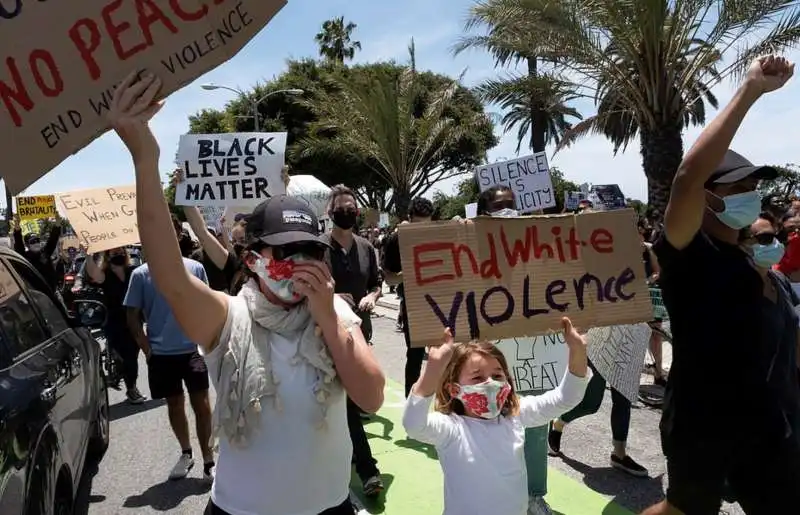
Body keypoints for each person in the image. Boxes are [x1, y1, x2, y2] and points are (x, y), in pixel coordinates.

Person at [108, 70, 385, 515]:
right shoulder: (228, 317)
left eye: (309, 250)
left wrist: (330, 320)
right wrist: (145, 156)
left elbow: (370, 397)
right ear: (253, 257)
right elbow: (170, 277)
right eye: (284, 250)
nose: (297, 262)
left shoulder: (334, 313)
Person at [643, 55, 800, 515]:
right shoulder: (688, 253)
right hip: (703, 422)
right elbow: (687, 177)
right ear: (708, 198)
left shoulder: (755, 266)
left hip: (771, 429)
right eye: (737, 186)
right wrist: (750, 90)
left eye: (753, 184)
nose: (751, 193)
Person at [402, 318, 590, 515]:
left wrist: (577, 349)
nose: (491, 383)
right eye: (477, 377)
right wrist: (434, 366)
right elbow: (413, 425)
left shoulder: (515, 416)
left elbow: (566, 397)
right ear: (454, 389)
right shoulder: (451, 428)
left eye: (498, 375)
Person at [474, 184, 560, 514]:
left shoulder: (533, 247)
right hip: (488, 357)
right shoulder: (469, 249)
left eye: (512, 205)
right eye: (500, 207)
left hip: (530, 355)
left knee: (535, 429)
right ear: (484, 214)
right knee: (489, 430)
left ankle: (533, 495)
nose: (508, 212)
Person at [124, 226, 216, 482]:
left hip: (193, 351)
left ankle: (209, 460)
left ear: (177, 236)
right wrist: (147, 349)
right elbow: (131, 316)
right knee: (174, 404)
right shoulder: (140, 275)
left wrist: (207, 339)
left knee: (203, 406)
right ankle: (186, 453)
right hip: (162, 356)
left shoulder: (194, 268)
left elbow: (207, 302)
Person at [320, 184, 384, 497]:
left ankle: (341, 464)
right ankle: (367, 469)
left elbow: (376, 284)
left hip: (361, 334)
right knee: (343, 404)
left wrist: (372, 297)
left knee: (350, 404)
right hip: (323, 337)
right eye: (341, 207)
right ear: (330, 212)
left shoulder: (365, 247)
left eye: (351, 207)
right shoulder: (317, 248)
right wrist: (332, 298)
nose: (347, 212)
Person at [380, 197, 434, 396]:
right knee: (415, 356)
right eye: (417, 226)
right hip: (414, 306)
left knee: (446, 354)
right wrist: (410, 273)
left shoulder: (439, 234)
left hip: (442, 304)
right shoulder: (397, 240)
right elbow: (390, 280)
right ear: (409, 219)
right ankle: (410, 401)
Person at [84, 245, 145, 403]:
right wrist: (89, 255)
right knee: (128, 356)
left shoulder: (132, 271)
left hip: (134, 320)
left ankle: (129, 381)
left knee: (133, 354)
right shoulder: (106, 274)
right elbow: (93, 274)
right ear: (108, 255)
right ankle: (131, 388)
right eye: (114, 252)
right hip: (115, 322)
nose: (118, 254)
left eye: (120, 251)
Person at [12, 214, 62, 292]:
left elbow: (53, 239)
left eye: (37, 240)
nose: (36, 243)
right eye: (32, 241)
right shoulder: (25, 257)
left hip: (53, 293)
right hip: (37, 298)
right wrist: (17, 227)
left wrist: (57, 223)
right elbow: (18, 244)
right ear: (27, 245)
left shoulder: (45, 252)